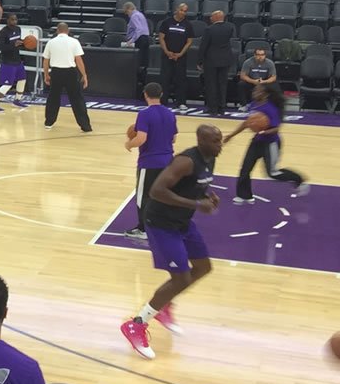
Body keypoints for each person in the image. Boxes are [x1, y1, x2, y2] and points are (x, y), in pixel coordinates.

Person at [120, 124, 223, 358]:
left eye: (220, 140)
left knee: (203, 267)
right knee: (181, 277)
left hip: (182, 222)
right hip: (162, 223)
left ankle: (163, 306)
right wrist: (198, 205)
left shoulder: (210, 157)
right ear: (201, 141)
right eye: (215, 141)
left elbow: (194, 184)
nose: (220, 145)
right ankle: (136, 324)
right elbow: (156, 191)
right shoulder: (185, 161)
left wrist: (206, 195)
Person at [225, 82, 304, 204]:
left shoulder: (271, 108)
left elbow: (276, 128)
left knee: (272, 173)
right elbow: (247, 123)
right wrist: (231, 135)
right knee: (245, 169)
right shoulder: (253, 105)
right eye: (254, 90)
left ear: (265, 95)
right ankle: (245, 196)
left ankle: (298, 179)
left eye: (257, 91)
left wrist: (263, 132)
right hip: (257, 142)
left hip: (271, 143)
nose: (254, 92)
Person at [124, 82, 177, 239]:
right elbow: (173, 139)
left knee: (143, 196)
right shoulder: (170, 113)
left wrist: (129, 144)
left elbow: (141, 138)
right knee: (162, 195)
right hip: (168, 162)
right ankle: (163, 224)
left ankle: (144, 229)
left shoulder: (144, 114)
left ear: (145, 94)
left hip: (149, 163)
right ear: (161, 95)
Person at [41, 21, 92, 133]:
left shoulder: (51, 42)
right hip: (70, 73)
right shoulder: (74, 41)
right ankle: (85, 126)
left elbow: (45, 60)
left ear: (57, 31)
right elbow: (78, 60)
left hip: (56, 72)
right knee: (77, 99)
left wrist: (46, 75)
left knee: (53, 98)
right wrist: (84, 75)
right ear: (68, 31)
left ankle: (49, 123)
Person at [196, 9, 237, 116]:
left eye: (212, 16)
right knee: (222, 84)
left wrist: (200, 61)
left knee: (211, 85)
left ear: (217, 17)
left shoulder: (209, 29)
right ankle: (221, 107)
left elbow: (203, 46)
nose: (210, 18)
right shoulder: (230, 28)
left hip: (211, 60)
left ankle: (212, 108)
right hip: (225, 60)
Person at [157, 3, 193, 107]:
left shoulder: (188, 24)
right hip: (167, 56)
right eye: (182, 10)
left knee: (181, 80)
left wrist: (181, 53)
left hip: (180, 57)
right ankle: (163, 102)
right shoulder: (167, 22)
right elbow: (161, 38)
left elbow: (189, 41)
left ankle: (181, 102)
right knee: (165, 79)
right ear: (177, 10)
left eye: (185, 11)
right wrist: (167, 51)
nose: (183, 13)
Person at [0, 13, 28, 111]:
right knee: (7, 84)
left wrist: (25, 43)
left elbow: (18, 43)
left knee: (22, 79)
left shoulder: (18, 29)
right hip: (7, 62)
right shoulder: (3, 32)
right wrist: (14, 45)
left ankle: (17, 100)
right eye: (12, 20)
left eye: (15, 19)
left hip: (18, 60)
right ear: (7, 20)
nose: (14, 21)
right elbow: (1, 48)